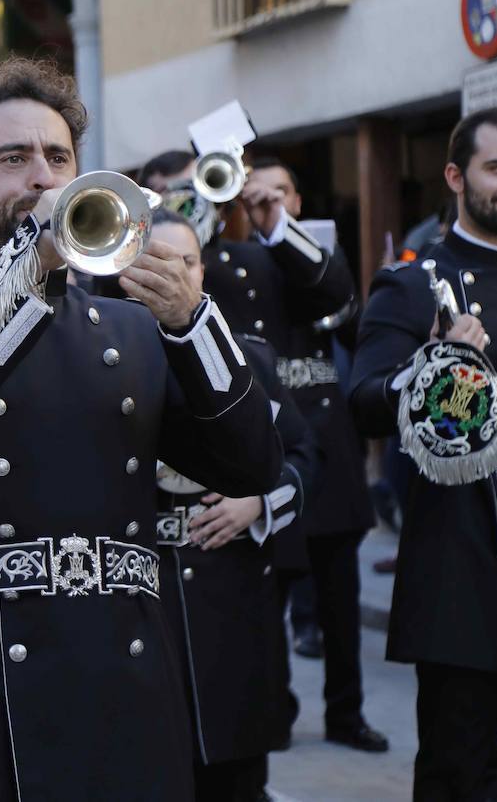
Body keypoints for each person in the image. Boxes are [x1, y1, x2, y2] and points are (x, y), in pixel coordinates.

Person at [0, 58, 283, 800]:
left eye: (59, 158)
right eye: (13, 159)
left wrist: (189, 325)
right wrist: (29, 275)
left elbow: (250, 465)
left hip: (126, 678)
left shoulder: (131, 325)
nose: (44, 179)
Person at [349, 107, 497, 799]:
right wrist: (435, 366)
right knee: (457, 774)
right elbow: (363, 397)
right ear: (455, 176)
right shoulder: (413, 280)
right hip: (461, 562)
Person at [139, 148, 386, 754]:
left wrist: (271, 218)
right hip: (209, 465)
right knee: (252, 616)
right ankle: (263, 716)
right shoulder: (195, 256)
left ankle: (337, 712)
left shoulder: (261, 255)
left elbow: (333, 291)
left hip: (284, 432)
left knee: (333, 593)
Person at [135, 210, 317, 799]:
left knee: (238, 771)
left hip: (236, 595)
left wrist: (257, 504)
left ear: (203, 271)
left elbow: (303, 460)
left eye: (186, 261)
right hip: (145, 592)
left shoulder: (248, 358)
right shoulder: (108, 359)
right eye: (158, 259)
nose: (175, 273)